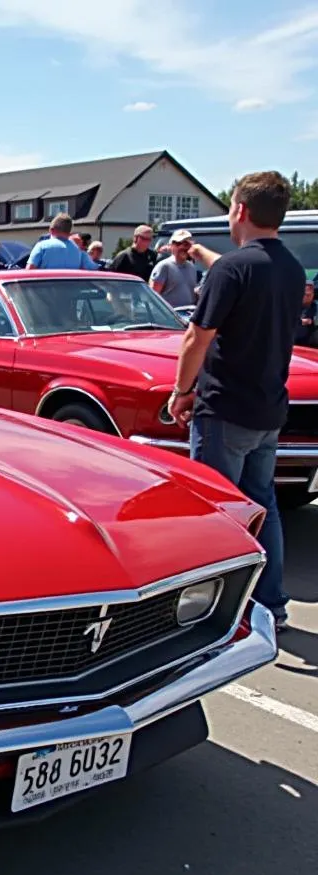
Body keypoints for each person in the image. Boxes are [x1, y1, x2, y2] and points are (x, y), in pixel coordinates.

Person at [168, 171, 304, 632]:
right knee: (262, 504)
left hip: (225, 408)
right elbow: (234, 265)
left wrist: (181, 391)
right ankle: (271, 604)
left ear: (240, 211)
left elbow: (196, 336)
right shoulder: (288, 268)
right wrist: (200, 253)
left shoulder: (233, 270)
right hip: (268, 408)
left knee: (216, 511)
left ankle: (213, 612)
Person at [27, 214, 99, 270]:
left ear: (51, 230)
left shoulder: (42, 246)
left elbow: (29, 271)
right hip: (70, 288)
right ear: (69, 232)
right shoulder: (78, 251)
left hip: (44, 288)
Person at [149, 229, 199, 307]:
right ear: (172, 246)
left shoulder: (191, 267)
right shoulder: (164, 266)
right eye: (179, 243)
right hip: (169, 316)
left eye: (186, 244)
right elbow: (153, 297)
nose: (183, 247)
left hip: (188, 315)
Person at [295, 280, 317, 347]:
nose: (307, 297)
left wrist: (313, 321)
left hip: (308, 342)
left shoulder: (315, 307)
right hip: (292, 341)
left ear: (313, 295)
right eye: (305, 294)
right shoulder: (293, 306)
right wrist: (301, 321)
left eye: (309, 295)